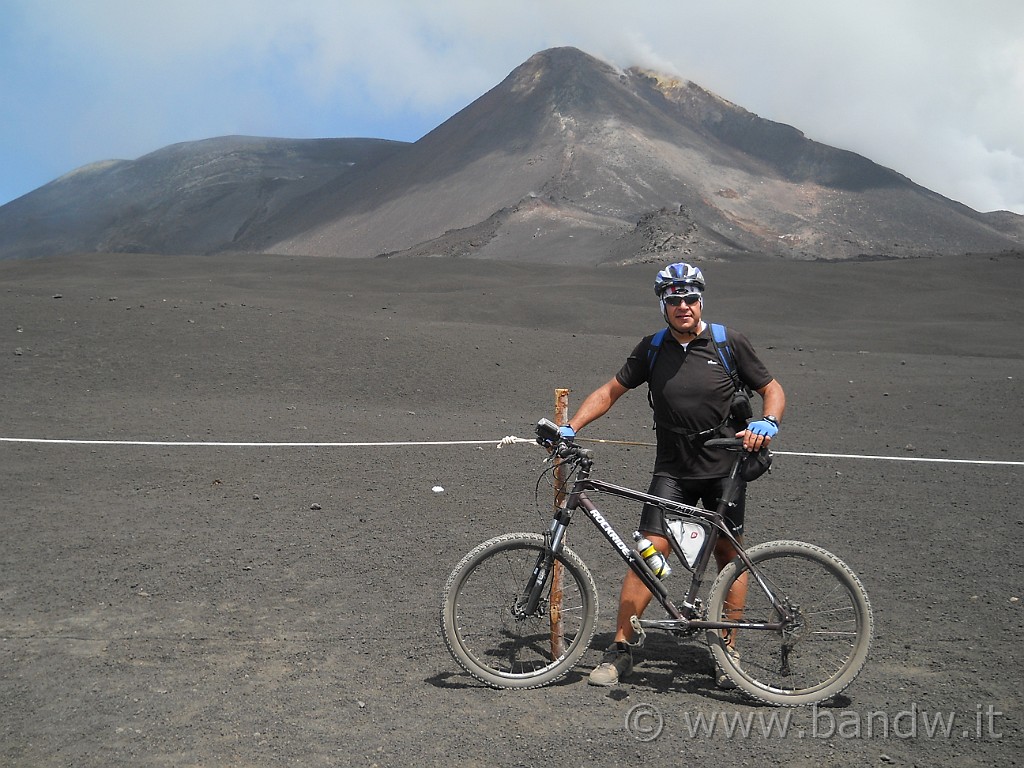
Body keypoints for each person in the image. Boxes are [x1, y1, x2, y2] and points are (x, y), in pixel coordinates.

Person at [557, 262, 786, 688]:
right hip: (673, 469)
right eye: (674, 299)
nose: (683, 306)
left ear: (701, 301)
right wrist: (572, 427)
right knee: (647, 552)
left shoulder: (727, 342)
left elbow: (771, 388)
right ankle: (621, 650)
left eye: (690, 298)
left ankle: (727, 651)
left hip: (723, 467)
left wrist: (768, 421)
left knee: (728, 559)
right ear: (663, 304)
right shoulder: (652, 348)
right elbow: (610, 392)